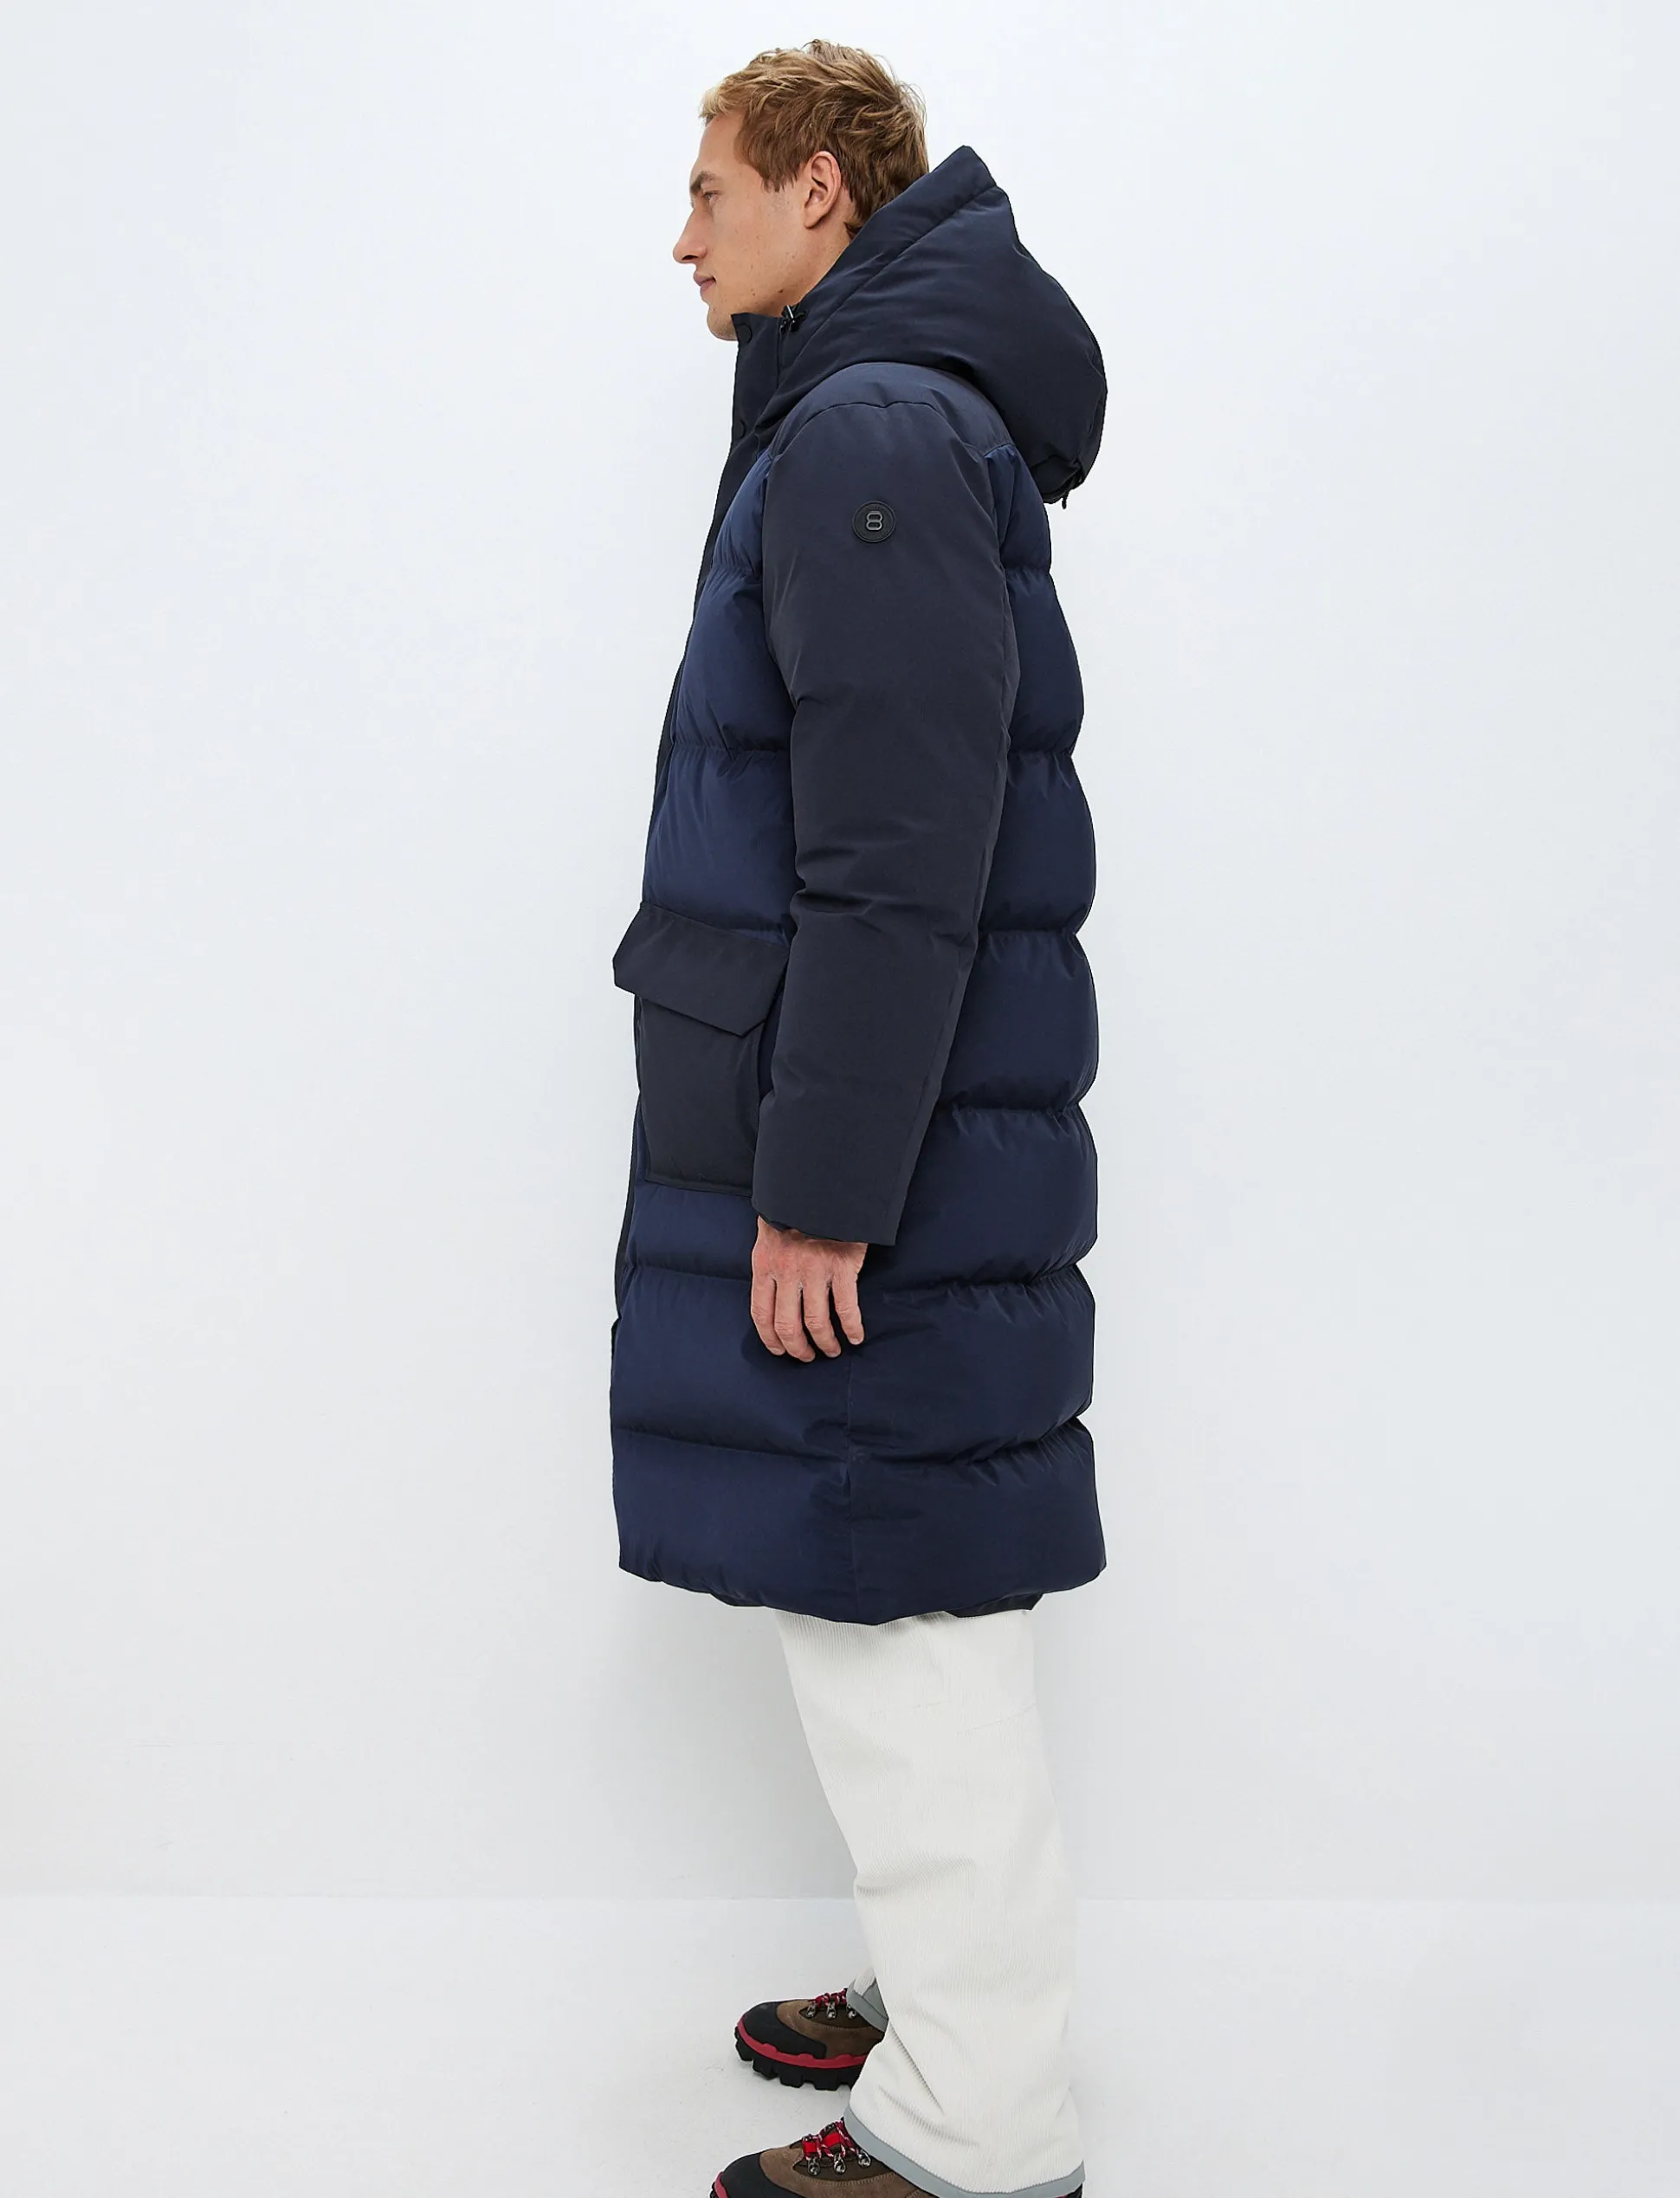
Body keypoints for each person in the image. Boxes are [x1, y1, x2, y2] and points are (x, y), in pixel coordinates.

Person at [608, 41, 1106, 2198]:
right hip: (902, 1129)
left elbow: (898, 859)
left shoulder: (871, 430)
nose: (682, 234)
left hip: (876, 1162)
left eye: (711, 188)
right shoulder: (870, 413)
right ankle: (950, 1992)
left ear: (821, 189)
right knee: (888, 1574)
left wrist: (818, 1191)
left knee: (901, 1612)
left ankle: (980, 2124)